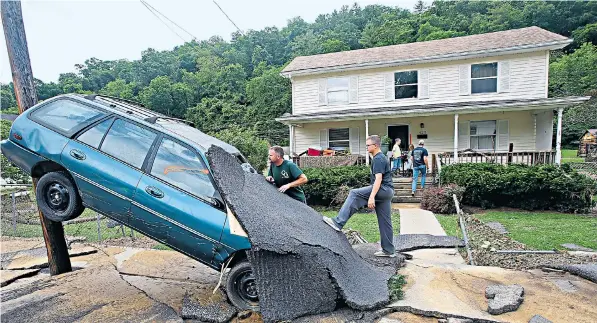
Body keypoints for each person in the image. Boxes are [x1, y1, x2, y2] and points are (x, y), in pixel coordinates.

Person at [322, 135, 395, 257]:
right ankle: (388, 250)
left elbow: (378, 179)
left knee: (354, 193)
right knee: (385, 221)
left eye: (368, 145)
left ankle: (338, 222)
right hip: (388, 192)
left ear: (375, 146)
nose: (366, 147)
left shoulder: (378, 158)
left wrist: (371, 197)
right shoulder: (380, 157)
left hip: (382, 189)